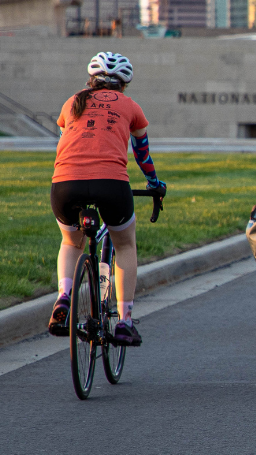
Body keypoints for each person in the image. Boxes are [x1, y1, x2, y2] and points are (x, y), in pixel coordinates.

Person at [47, 52, 165, 347]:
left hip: (65, 183)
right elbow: (143, 155)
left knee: (70, 241)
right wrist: (154, 184)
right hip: (111, 183)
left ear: (91, 80)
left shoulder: (72, 102)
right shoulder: (131, 107)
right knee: (124, 243)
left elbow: (66, 141)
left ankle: (63, 297)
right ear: (123, 85)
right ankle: (124, 322)